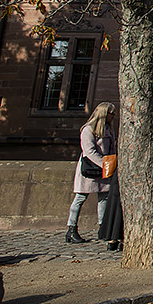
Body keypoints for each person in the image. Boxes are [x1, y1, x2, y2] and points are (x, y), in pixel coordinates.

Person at [67, 102, 116, 244]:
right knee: (80, 198)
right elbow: (89, 151)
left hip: (104, 169)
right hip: (90, 169)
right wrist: (104, 164)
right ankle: (71, 228)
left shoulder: (108, 129)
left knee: (103, 198)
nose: (113, 116)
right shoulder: (88, 130)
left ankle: (103, 228)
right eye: (111, 113)